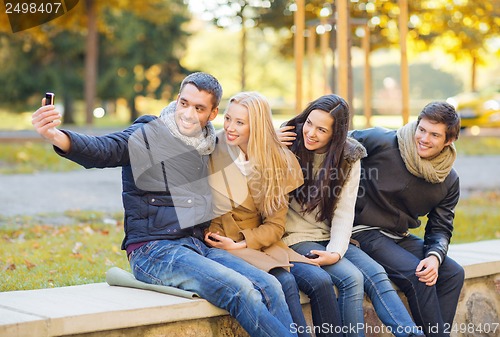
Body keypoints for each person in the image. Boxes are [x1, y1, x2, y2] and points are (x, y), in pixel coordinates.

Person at [31, 72, 298, 337]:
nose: (188, 114)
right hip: (153, 249)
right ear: (177, 99)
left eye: (199, 108)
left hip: (195, 245)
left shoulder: (206, 144)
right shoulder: (148, 134)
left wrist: (269, 134)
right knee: (240, 289)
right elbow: (104, 149)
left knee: (270, 285)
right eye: (184, 103)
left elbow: (243, 132)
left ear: (212, 114)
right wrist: (56, 136)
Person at [277, 94, 424, 337]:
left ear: (336, 135)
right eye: (309, 123)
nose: (311, 133)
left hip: (328, 235)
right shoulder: (288, 141)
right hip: (294, 235)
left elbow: (344, 212)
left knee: (376, 273)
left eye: (321, 129)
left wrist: (335, 251)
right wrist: (271, 145)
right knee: (351, 278)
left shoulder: (348, 157)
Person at [203, 92, 342, 337]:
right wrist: (228, 243)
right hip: (220, 241)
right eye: (227, 119)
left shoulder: (278, 161)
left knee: (319, 280)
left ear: (256, 126)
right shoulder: (213, 150)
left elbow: (276, 226)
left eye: (240, 122)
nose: (230, 128)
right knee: (284, 281)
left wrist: (244, 242)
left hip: (258, 241)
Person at [349, 101, 465, 337]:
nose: (423, 138)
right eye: (421, 129)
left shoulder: (448, 180)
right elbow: (334, 137)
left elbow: (440, 228)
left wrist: (434, 256)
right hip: (361, 230)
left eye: (434, 135)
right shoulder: (384, 141)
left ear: (449, 141)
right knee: (418, 275)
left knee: (453, 273)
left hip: (397, 235)